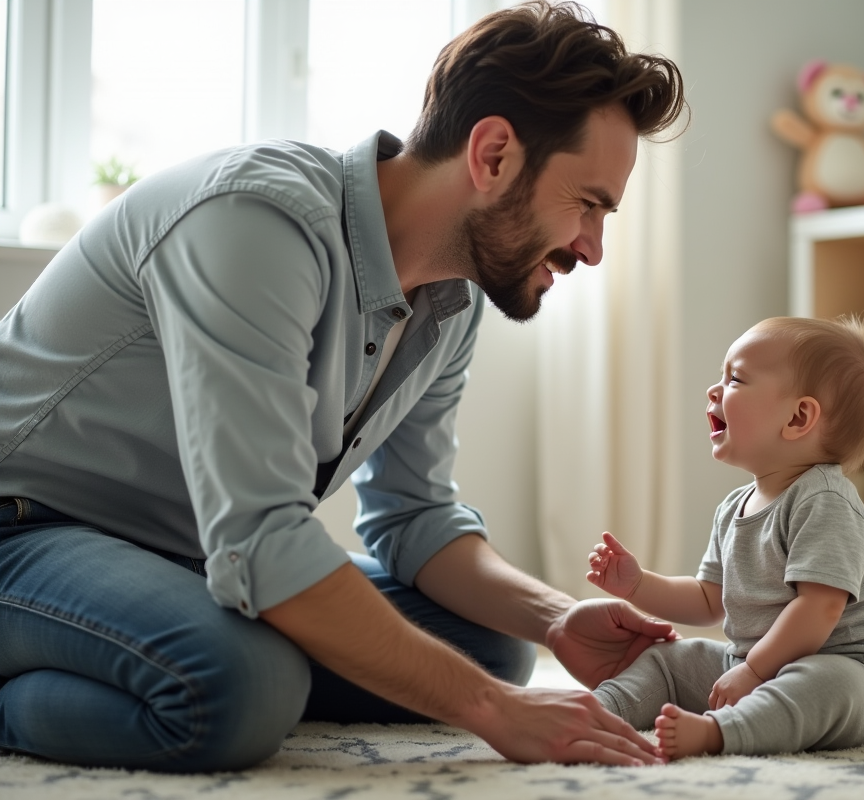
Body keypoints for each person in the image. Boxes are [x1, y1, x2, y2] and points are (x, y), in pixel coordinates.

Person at [0, 1, 687, 772]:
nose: (593, 248)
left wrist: (557, 617)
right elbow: (261, 540)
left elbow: (414, 516)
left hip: (181, 552)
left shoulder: (452, 299)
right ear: (493, 154)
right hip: (26, 528)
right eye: (588, 204)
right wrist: (493, 714)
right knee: (242, 687)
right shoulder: (255, 220)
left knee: (489, 646)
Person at [585, 316, 864, 759]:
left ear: (798, 417)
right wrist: (638, 585)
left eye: (735, 378)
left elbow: (820, 606)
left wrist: (755, 671)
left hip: (854, 673)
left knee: (822, 684)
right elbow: (706, 601)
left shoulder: (825, 500)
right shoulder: (734, 507)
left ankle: (721, 733)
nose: (713, 391)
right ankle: (600, 708)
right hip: (753, 665)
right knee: (671, 659)